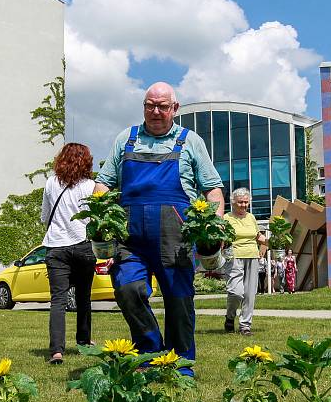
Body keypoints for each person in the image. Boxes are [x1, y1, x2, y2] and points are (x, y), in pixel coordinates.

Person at [95, 82, 224, 372]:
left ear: (174, 109)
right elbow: (103, 182)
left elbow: (213, 189)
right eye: (149, 105)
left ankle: (180, 364)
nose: (155, 111)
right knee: (127, 289)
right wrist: (99, 216)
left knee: (179, 300)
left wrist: (213, 227)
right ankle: (149, 352)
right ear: (143, 106)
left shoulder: (190, 141)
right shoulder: (125, 139)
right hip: (130, 238)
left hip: (174, 237)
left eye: (162, 106)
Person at [40, 143, 97, 365]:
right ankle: (83, 340)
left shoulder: (50, 183)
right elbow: (95, 218)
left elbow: (45, 217)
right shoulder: (91, 186)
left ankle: (56, 351)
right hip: (83, 245)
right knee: (83, 297)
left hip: (55, 247)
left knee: (58, 300)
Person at [223, 187, 267, 336]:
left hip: (252, 256)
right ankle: (230, 316)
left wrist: (272, 241)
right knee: (236, 292)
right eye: (240, 202)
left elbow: (258, 236)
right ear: (233, 202)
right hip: (234, 256)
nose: (243, 205)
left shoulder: (251, 218)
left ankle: (245, 326)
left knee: (249, 293)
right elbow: (220, 238)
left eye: (246, 202)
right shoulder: (226, 218)